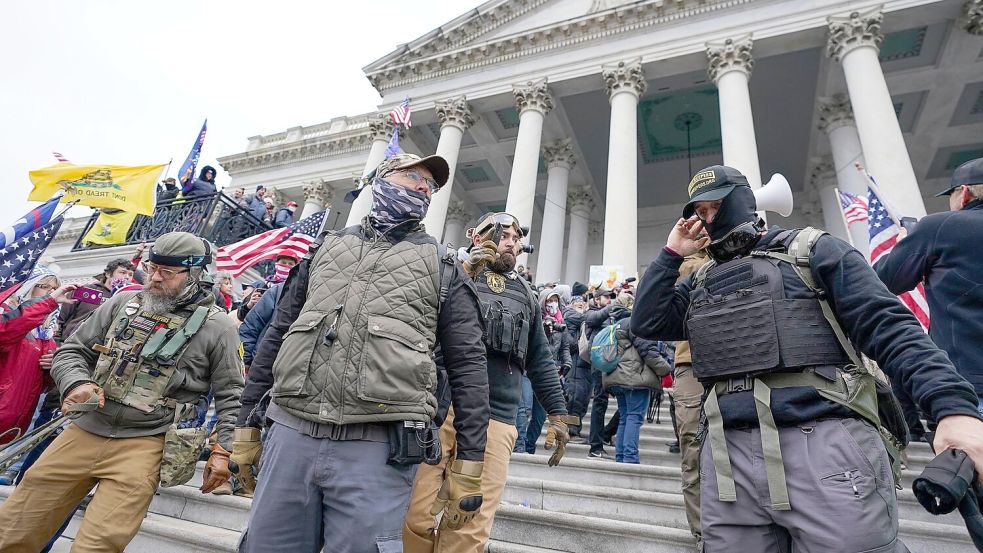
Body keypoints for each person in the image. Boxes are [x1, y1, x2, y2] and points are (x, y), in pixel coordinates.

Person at [631, 164, 983, 551]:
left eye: (718, 207)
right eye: (701, 212)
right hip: (725, 455)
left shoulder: (814, 249)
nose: (709, 219)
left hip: (823, 442)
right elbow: (648, 321)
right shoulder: (700, 280)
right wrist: (670, 254)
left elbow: (889, 326)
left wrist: (952, 408)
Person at [232, 153, 490, 553]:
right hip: (290, 434)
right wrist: (246, 425)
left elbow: (469, 367)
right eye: (412, 176)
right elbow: (277, 335)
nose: (424, 187)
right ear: (382, 180)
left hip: (378, 448)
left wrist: (470, 463)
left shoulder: (444, 267)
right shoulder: (322, 251)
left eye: (430, 184)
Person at [0, 232, 244, 552]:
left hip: (147, 442)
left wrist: (224, 451)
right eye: (151, 267)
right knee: (14, 528)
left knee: (99, 544)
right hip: (85, 429)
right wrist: (78, 383)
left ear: (195, 275)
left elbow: (232, 394)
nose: (154, 277)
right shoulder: (122, 302)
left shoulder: (219, 327)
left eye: (166, 273)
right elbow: (73, 351)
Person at [404, 211, 575, 553]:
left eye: (516, 238)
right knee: (414, 513)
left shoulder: (527, 294)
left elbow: (540, 358)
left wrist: (557, 413)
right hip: (440, 407)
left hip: (498, 418)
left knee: (470, 525)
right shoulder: (446, 272)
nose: (510, 242)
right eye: (501, 234)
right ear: (474, 235)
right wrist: (464, 273)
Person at [874, 157, 983, 414]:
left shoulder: (941, 227)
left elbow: (882, 281)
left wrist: (903, 244)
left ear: (964, 193)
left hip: (971, 384)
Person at [0, 269, 76, 446]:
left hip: (16, 423)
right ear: (28, 287)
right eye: (46, 287)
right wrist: (47, 303)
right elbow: (7, 332)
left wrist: (51, 368)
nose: (52, 292)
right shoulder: (5, 311)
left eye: (55, 288)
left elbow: (43, 384)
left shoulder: (45, 333)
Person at [668, 250, 710, 545]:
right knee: (693, 450)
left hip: (741, 358)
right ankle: (702, 534)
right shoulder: (689, 264)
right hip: (693, 364)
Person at [602, 292, 671, 464]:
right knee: (634, 417)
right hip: (634, 379)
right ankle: (630, 458)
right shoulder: (635, 323)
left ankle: (621, 457)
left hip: (617, 378)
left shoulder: (616, 324)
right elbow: (648, 351)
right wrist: (665, 371)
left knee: (626, 417)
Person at [515, 289, 570, 454]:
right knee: (524, 408)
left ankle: (530, 446)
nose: (552, 304)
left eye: (555, 301)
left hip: (550, 370)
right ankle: (520, 445)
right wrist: (544, 330)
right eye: (549, 301)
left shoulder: (562, 325)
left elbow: (566, 348)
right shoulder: (534, 319)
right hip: (528, 369)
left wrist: (567, 363)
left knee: (539, 416)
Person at [583, 288, 627, 459]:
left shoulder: (613, 315)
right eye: (606, 297)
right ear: (596, 299)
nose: (609, 300)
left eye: (611, 297)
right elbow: (591, 319)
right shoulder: (593, 313)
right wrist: (612, 307)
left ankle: (607, 434)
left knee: (626, 400)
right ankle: (595, 446)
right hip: (599, 362)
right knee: (600, 402)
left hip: (613, 363)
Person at [56, 258, 135, 342]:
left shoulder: (128, 300)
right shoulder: (86, 290)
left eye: (130, 275)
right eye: (123, 272)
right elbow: (59, 318)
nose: (127, 277)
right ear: (108, 274)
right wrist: (56, 343)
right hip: (69, 344)